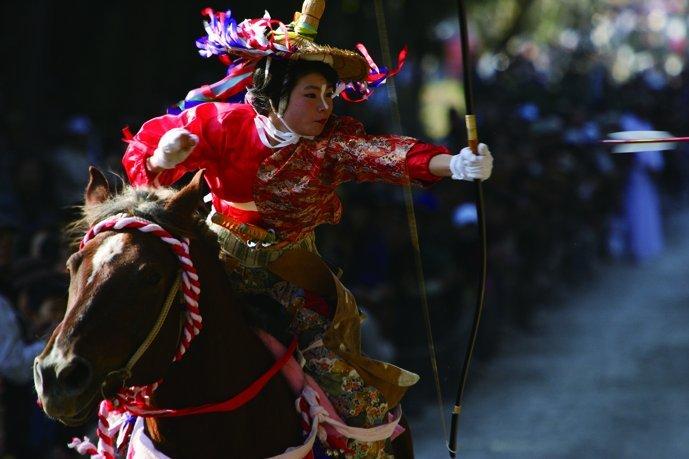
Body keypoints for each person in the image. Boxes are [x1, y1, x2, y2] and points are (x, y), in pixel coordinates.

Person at [122, 2, 493, 457]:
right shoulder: (219, 124)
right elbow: (146, 168)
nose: (324, 107)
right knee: (134, 337)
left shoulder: (332, 144)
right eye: (310, 94)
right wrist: (164, 158)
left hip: (290, 281)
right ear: (274, 96)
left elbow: (385, 153)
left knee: (355, 398)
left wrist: (454, 163)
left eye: (329, 95)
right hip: (211, 265)